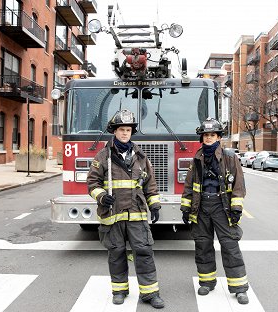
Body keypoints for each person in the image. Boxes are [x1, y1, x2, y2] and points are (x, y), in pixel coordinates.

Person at [87, 109, 165, 309]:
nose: (125, 133)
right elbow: (92, 183)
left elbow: (150, 183)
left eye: (128, 130)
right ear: (114, 131)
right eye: (121, 129)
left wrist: (154, 204)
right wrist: (102, 196)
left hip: (137, 213)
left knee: (144, 251)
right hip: (113, 215)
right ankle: (119, 290)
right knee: (117, 253)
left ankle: (150, 293)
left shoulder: (140, 156)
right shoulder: (103, 156)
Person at [180, 117, 249, 304]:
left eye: (212, 135)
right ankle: (207, 282)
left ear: (218, 137)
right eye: (206, 135)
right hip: (201, 207)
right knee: (203, 245)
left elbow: (238, 185)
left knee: (230, 246)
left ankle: (239, 287)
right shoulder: (196, 159)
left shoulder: (229, 157)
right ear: (201, 138)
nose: (209, 138)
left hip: (222, 206)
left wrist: (236, 208)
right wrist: (186, 208)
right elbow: (188, 186)